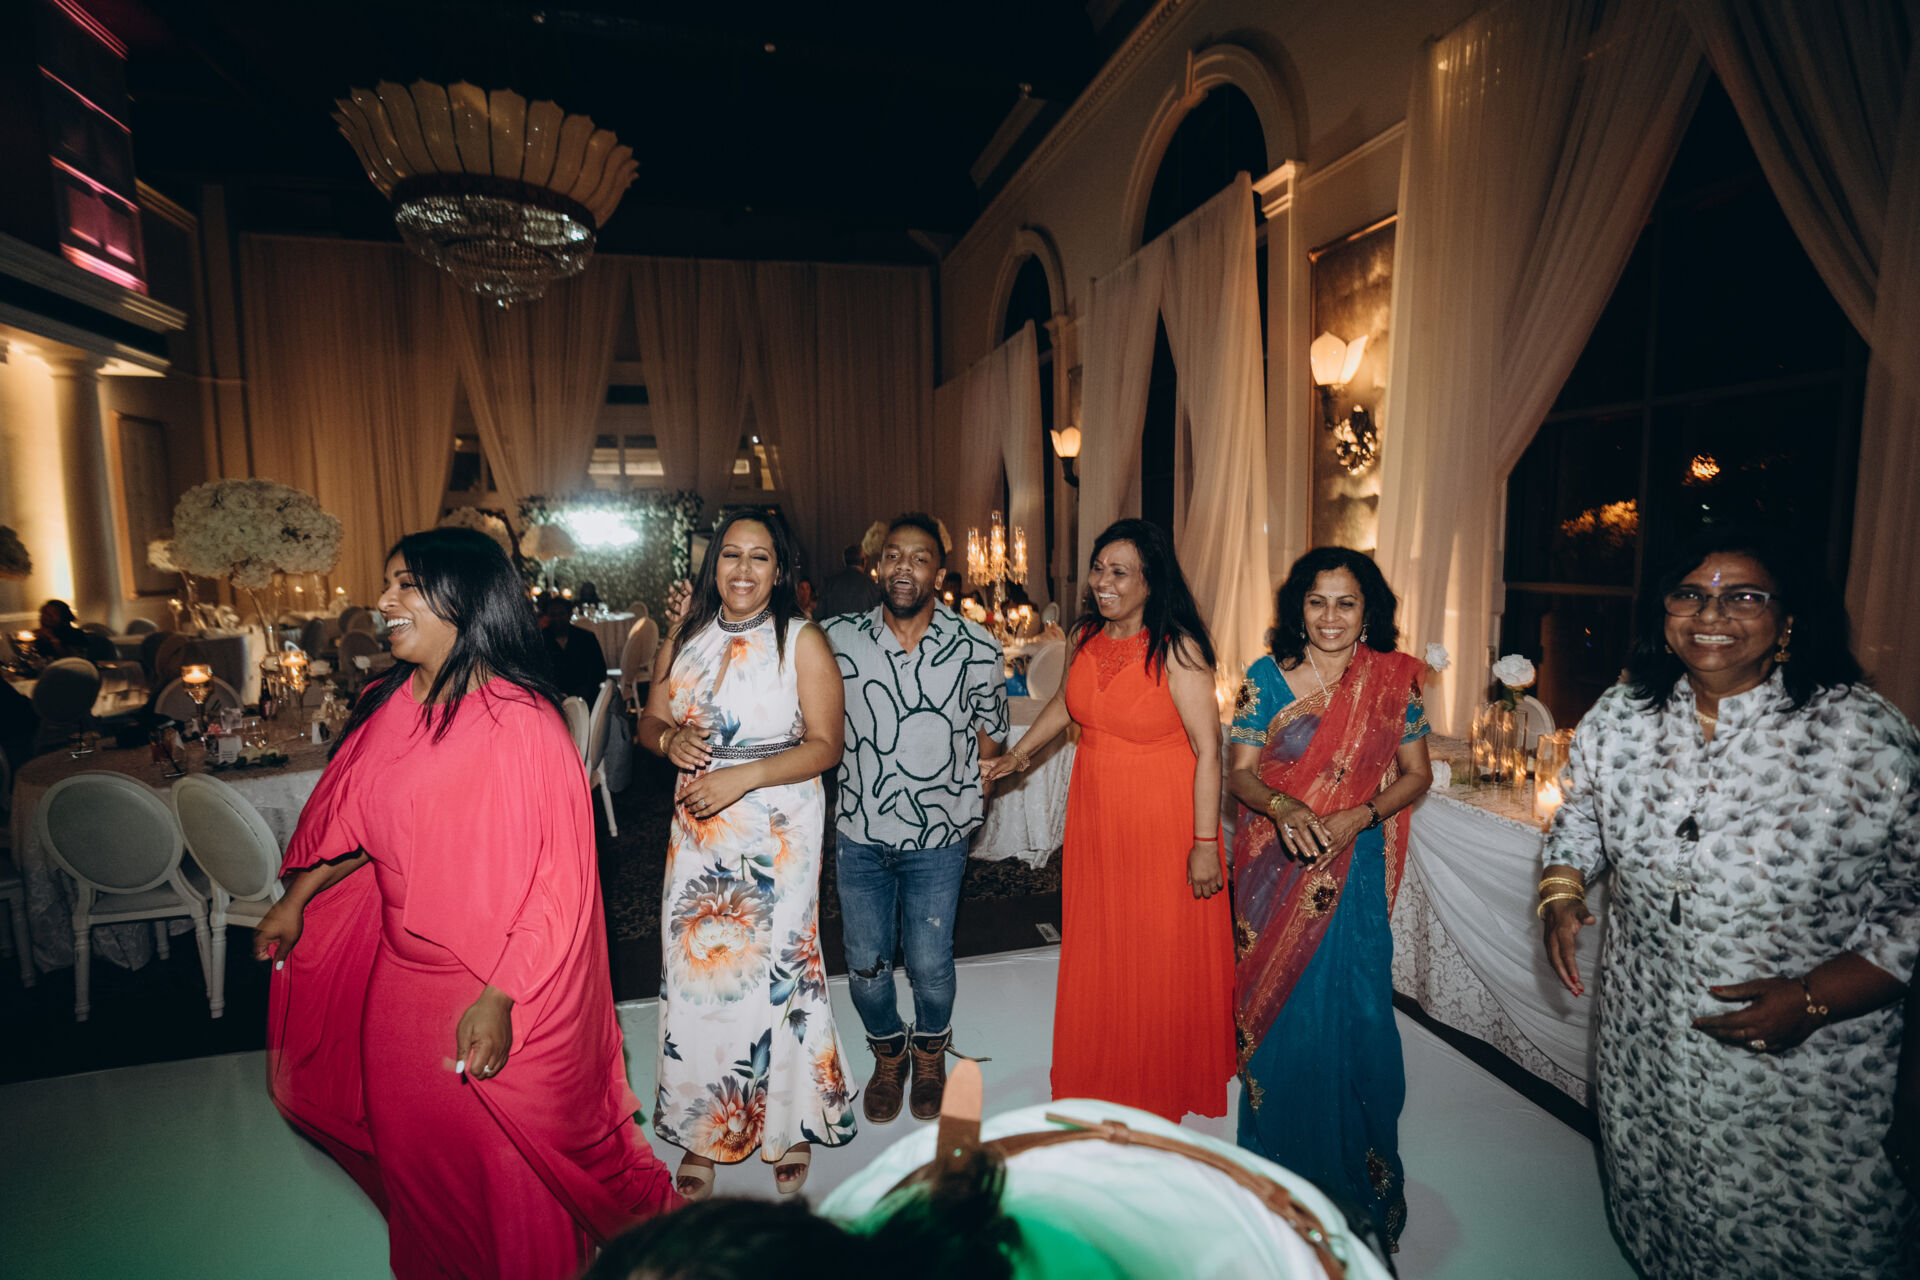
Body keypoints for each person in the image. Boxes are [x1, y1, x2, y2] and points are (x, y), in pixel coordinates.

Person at [253, 527, 678, 1280]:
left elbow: (559, 886)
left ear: (467, 598)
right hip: (397, 994)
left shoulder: (524, 723)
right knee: (420, 1171)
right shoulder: (388, 703)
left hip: (493, 988)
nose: (383, 600)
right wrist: (299, 897)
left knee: (513, 1176)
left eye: (405, 584)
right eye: (387, 582)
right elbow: (360, 826)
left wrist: (499, 997)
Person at [1540, 529, 1919, 1278]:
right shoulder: (1624, 714)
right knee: (1660, 1207)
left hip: (1805, 1064)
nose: (1712, 615)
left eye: (1744, 596)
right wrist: (1562, 888)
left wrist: (1811, 999)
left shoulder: (1864, 738)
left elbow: (1912, 902)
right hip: (1646, 1035)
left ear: (1789, 618)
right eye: (1690, 594)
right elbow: (1579, 812)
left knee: (1807, 1233)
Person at [636, 510, 856, 1201]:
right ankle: (704, 1128)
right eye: (731, 555)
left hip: (778, 824)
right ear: (714, 565)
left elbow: (827, 746)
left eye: (760, 557)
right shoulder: (687, 634)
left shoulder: (802, 639)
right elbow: (650, 719)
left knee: (779, 972)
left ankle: (790, 1123)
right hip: (698, 830)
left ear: (779, 569)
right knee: (699, 975)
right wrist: (668, 741)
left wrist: (744, 777)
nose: (743, 569)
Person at [981, 518, 1232, 1122]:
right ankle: (1104, 1068)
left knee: (1156, 945)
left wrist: (1204, 842)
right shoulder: (1085, 635)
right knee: (1103, 941)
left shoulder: (1178, 648)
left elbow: (1209, 750)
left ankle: (1157, 1077)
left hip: (1161, 815)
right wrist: (1018, 756)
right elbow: (1065, 705)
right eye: (1098, 568)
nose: (1102, 582)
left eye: (1120, 572)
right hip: (1097, 810)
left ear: (1151, 581)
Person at [1222, 547, 1432, 1251]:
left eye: (1346, 602)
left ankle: (1358, 1185)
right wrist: (1285, 806)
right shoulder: (1265, 676)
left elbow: (1416, 774)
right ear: (1298, 607)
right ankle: (1279, 1183)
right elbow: (1241, 773)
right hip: (1277, 863)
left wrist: (1358, 817)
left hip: (1355, 866)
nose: (1331, 616)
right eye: (1317, 601)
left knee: (1359, 1015)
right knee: (1282, 1015)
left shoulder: (1393, 681)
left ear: (1368, 611)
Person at [822, 513, 1008, 1124]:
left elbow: (991, 733)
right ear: (878, 567)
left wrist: (971, 792)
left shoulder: (976, 645)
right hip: (860, 830)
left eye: (919, 558)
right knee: (865, 966)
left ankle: (929, 1053)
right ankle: (889, 1052)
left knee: (930, 964)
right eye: (893, 556)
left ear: (939, 573)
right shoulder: (836, 639)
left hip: (939, 836)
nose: (904, 567)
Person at [541, 593, 610, 703]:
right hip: (552, 698)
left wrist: (586, 690)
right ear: (548, 616)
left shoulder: (586, 638)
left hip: (585, 697)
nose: (557, 618)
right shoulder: (540, 640)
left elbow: (599, 670)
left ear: (569, 615)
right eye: (553, 615)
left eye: (561, 614)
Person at [816, 543, 883, 620]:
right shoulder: (872, 586)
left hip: (834, 627)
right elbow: (878, 617)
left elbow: (819, 615)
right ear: (864, 561)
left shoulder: (829, 583)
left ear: (844, 561)